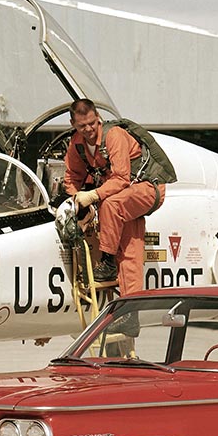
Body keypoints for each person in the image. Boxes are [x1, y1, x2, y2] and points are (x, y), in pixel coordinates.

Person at [64, 99, 166, 295]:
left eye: (92, 123)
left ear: (98, 118)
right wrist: (75, 201)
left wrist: (93, 195)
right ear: (72, 124)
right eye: (81, 126)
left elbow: (121, 178)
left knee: (110, 205)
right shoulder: (76, 144)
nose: (88, 129)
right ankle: (130, 314)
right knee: (130, 254)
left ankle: (108, 261)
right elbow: (72, 177)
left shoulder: (114, 135)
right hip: (125, 198)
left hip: (146, 189)